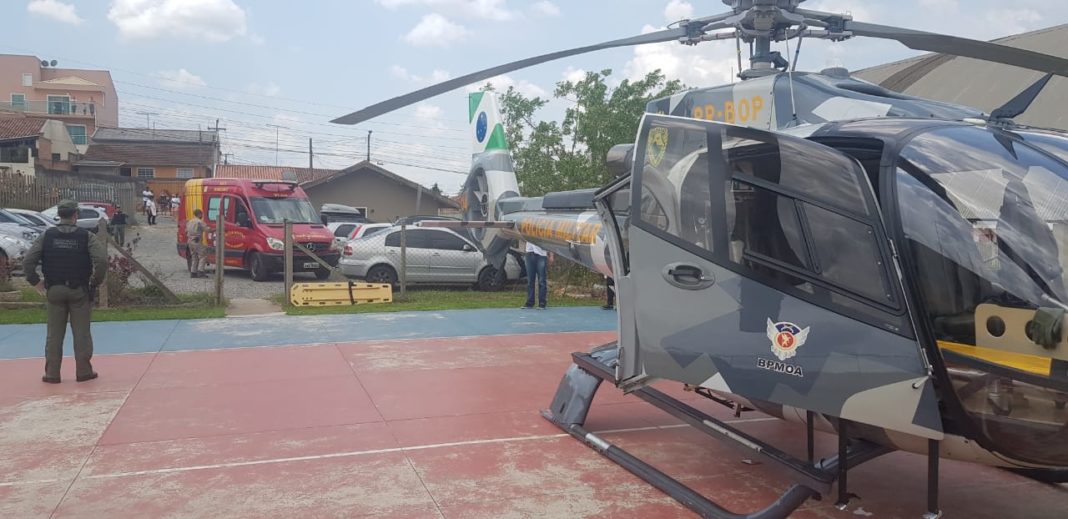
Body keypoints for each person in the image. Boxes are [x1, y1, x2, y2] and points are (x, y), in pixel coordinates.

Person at [23, 200, 107, 384]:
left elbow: (28, 262)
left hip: (54, 289)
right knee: (82, 333)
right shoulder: (86, 236)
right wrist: (94, 283)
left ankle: (52, 374)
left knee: (54, 334)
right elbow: (101, 261)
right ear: (76, 215)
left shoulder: (47, 235)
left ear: (59, 215)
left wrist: (36, 282)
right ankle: (84, 371)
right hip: (79, 289)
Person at [523, 241, 549, 309]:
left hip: (541, 255)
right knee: (530, 280)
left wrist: (551, 255)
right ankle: (530, 302)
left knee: (542, 280)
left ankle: (542, 302)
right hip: (529, 253)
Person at [186, 208, 208, 278]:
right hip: (197, 241)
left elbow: (186, 231)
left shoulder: (190, 221)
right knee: (203, 255)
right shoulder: (199, 222)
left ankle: (193, 272)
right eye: (201, 214)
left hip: (190, 241)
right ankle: (201, 271)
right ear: (199, 214)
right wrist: (217, 228)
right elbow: (207, 230)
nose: (202, 215)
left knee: (194, 257)